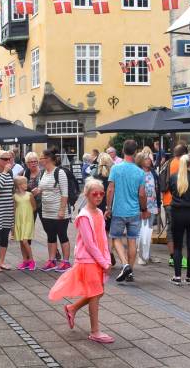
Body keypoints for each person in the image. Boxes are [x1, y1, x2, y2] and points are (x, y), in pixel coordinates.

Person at [49, 178, 114, 344]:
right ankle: (95, 331)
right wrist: (104, 263)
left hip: (98, 259)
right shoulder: (84, 216)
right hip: (88, 261)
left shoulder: (99, 213)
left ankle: (72, 308)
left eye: (101, 193)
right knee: (94, 294)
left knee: (98, 292)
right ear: (87, 194)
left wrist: (107, 258)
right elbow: (90, 244)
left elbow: (102, 239)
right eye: (95, 194)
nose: (99, 197)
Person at [105, 140, 148, 283]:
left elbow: (110, 189)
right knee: (132, 240)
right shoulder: (140, 172)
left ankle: (125, 264)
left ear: (123, 151)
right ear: (135, 152)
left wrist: (108, 207)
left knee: (115, 237)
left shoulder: (116, 169)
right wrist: (144, 209)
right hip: (134, 211)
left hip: (118, 210)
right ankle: (130, 273)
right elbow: (142, 194)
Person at [34, 147, 71, 273]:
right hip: (46, 210)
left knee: (62, 235)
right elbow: (42, 187)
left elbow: (65, 193)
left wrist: (61, 210)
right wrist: (37, 190)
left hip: (59, 210)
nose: (40, 160)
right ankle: (52, 260)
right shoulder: (44, 172)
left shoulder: (59, 172)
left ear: (48, 159)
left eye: (41, 158)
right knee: (50, 236)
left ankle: (66, 262)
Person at [169, 155, 190, 285]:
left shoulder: (173, 177)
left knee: (178, 246)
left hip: (177, 213)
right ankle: (189, 277)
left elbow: (172, 192)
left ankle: (177, 277)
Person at [162, 144, 188, 267]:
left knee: (171, 229)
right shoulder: (181, 164)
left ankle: (173, 256)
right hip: (177, 202)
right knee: (179, 230)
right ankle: (177, 257)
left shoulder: (169, 162)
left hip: (167, 200)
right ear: (185, 154)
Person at [136, 151, 161, 265]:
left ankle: (148, 255)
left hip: (153, 204)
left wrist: (158, 205)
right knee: (141, 232)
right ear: (141, 160)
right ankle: (140, 255)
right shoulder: (137, 172)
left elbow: (157, 188)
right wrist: (141, 208)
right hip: (141, 206)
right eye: (146, 159)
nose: (149, 160)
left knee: (149, 231)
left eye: (150, 159)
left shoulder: (153, 172)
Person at [93, 153, 115, 266]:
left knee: (99, 233)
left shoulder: (96, 178)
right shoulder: (113, 177)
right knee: (109, 233)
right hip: (110, 207)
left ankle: (100, 255)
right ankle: (109, 254)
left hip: (98, 208)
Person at [14, 176, 36, 271]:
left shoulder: (29, 195)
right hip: (19, 221)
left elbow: (34, 207)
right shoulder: (14, 196)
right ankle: (25, 261)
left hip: (27, 220)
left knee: (25, 241)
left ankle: (31, 260)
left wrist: (27, 214)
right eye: (24, 183)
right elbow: (14, 209)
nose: (26, 185)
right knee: (21, 242)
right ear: (19, 185)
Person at [23, 152, 42, 220]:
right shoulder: (26, 172)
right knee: (30, 224)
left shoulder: (42, 172)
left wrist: (40, 190)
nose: (33, 163)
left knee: (47, 225)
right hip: (30, 203)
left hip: (42, 203)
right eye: (31, 162)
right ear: (27, 163)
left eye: (35, 161)